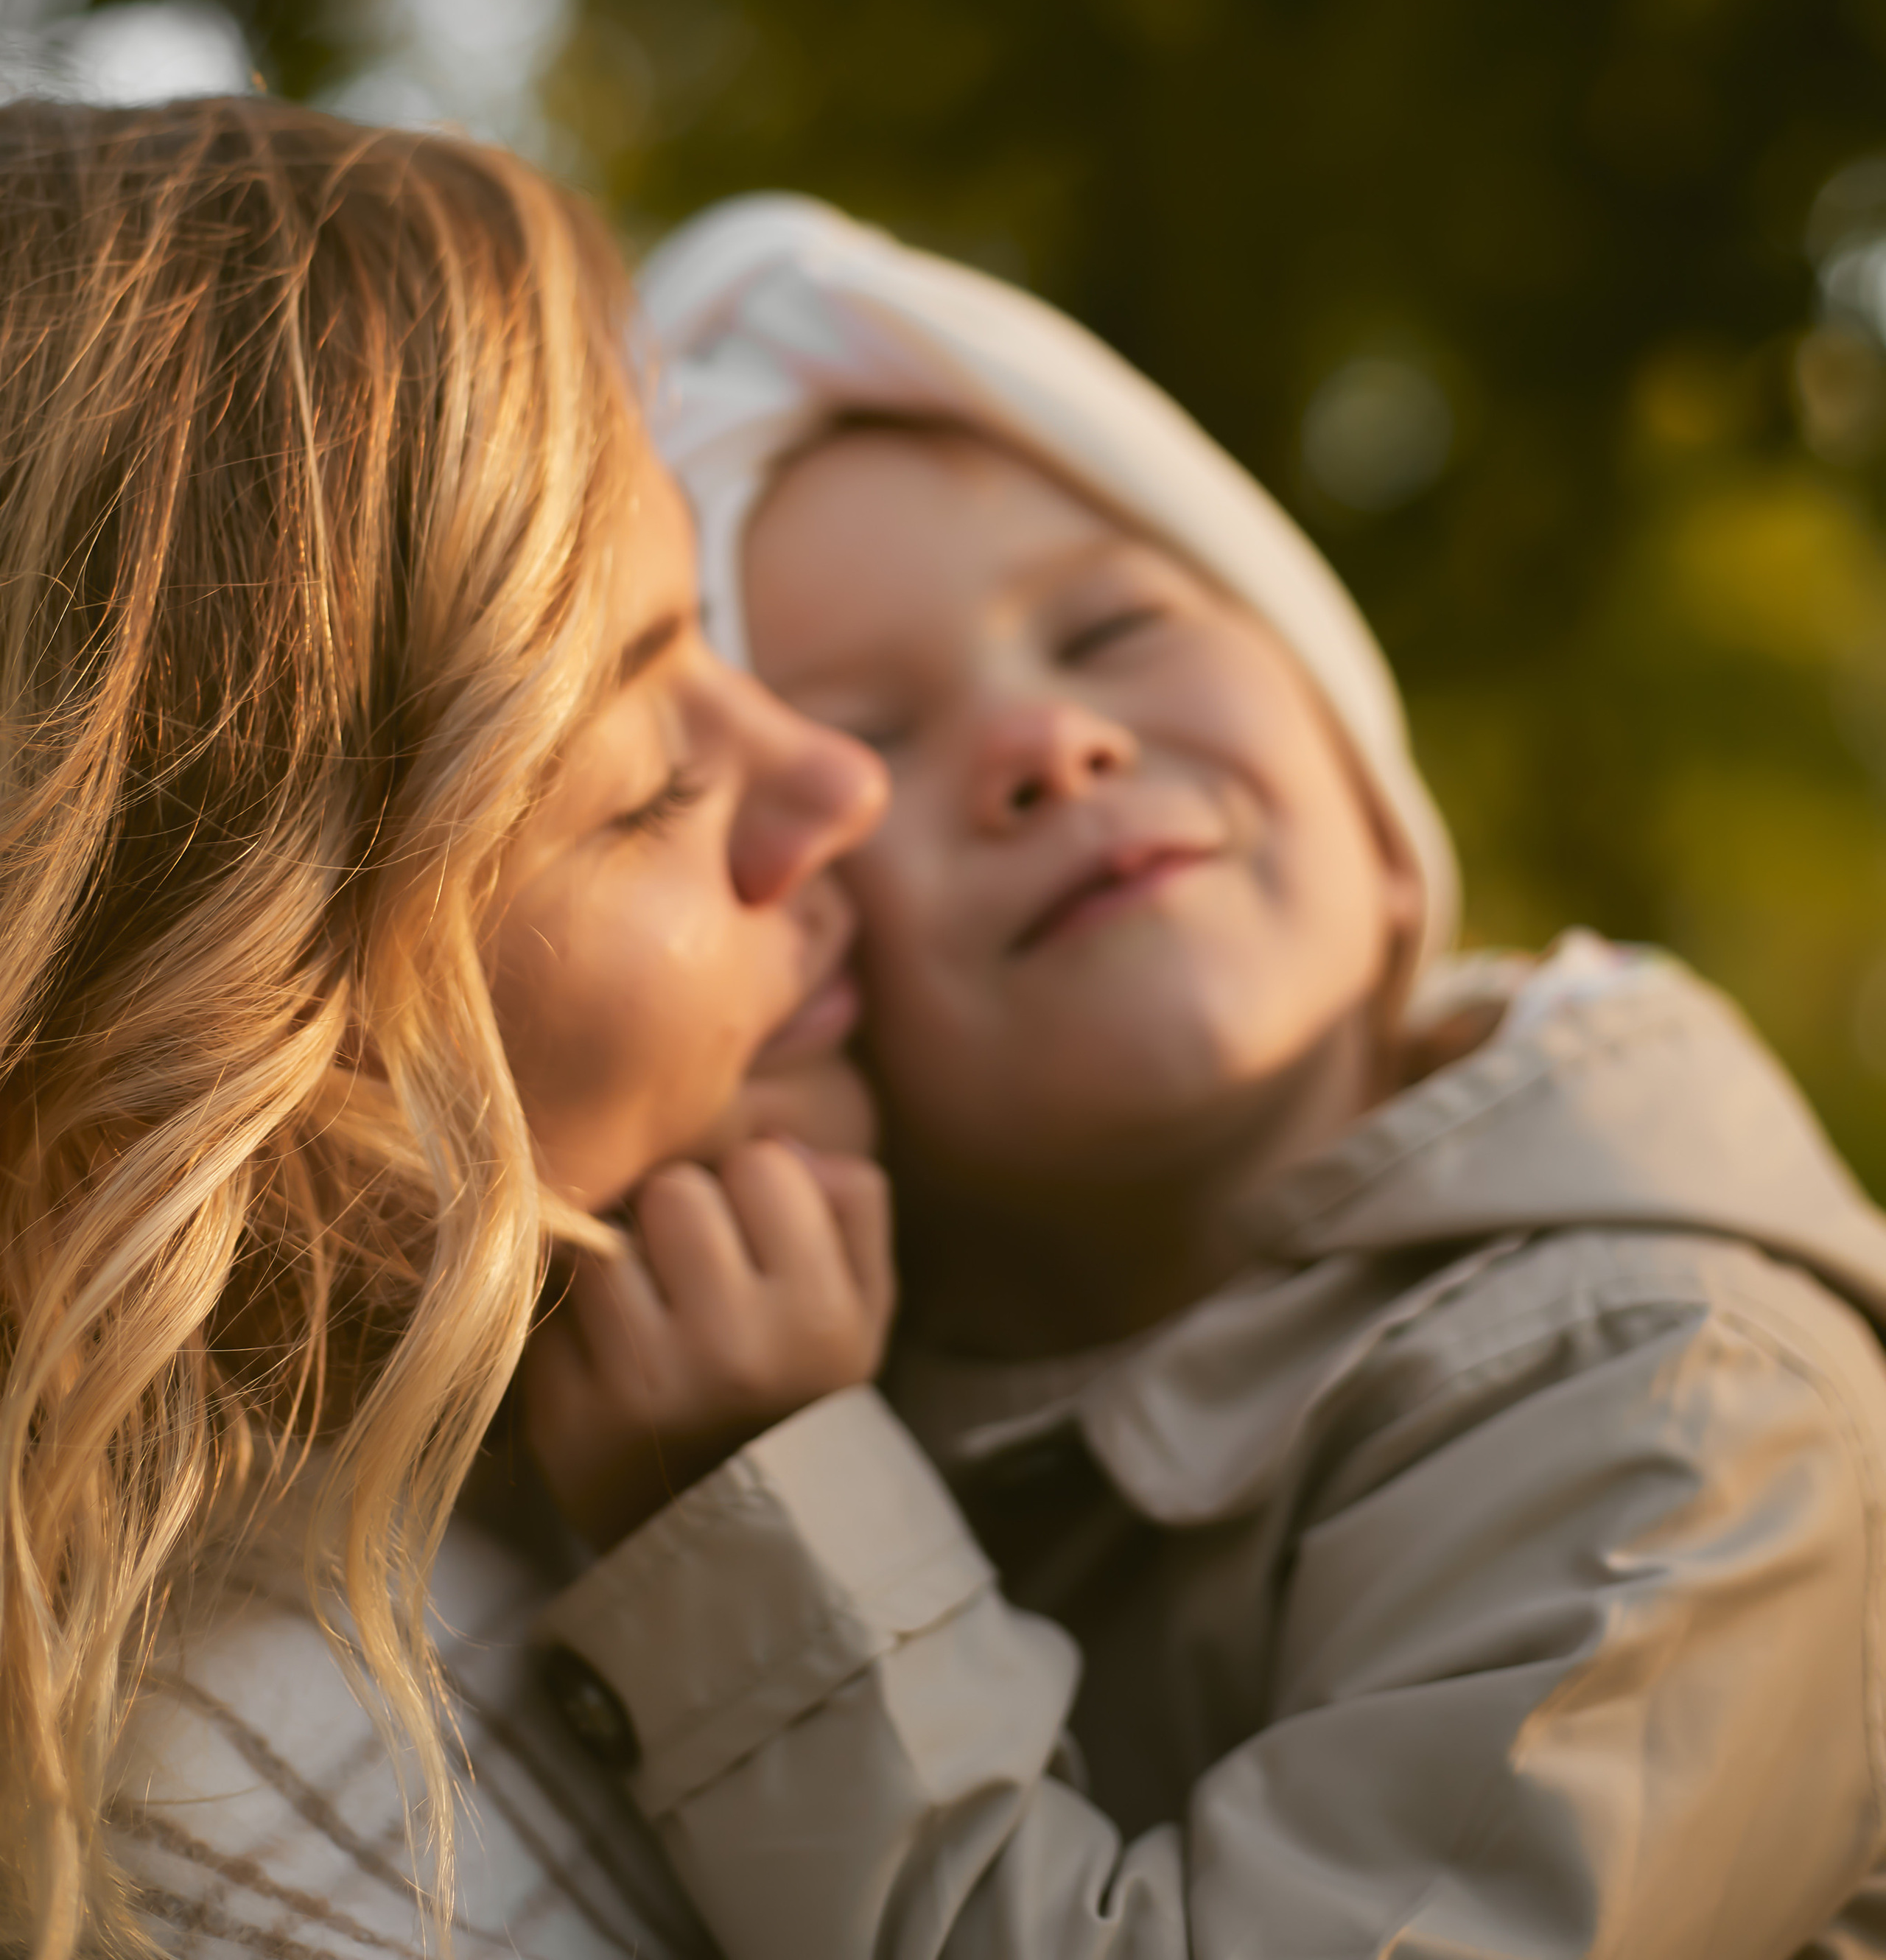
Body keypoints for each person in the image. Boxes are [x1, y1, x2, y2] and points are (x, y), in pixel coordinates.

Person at [527, 190, 1886, 1960]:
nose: (1047, 740)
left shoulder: (1671, 1394)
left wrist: (744, 1504)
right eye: (862, 737)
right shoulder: (823, 1378)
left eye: (1109, 633)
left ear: (1375, 816)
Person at [0, 105, 896, 1960]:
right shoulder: (230, 1829)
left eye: (717, 641)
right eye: (651, 787)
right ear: (218, 1054)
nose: (837, 781)